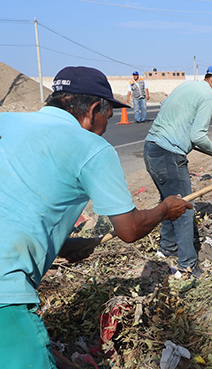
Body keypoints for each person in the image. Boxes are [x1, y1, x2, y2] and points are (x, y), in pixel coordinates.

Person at [0, 66, 192, 368]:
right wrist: (166, 209)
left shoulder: (6, 121)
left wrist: (61, 246)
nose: (106, 127)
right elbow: (129, 229)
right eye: (108, 118)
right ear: (93, 110)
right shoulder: (91, 147)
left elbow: (13, 199)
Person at [143, 62, 212, 278]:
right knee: (185, 207)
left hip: (151, 148)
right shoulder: (208, 96)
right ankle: (187, 265)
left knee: (169, 201)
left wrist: (211, 151)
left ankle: (167, 247)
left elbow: (179, 121)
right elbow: (197, 136)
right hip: (169, 154)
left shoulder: (187, 87)